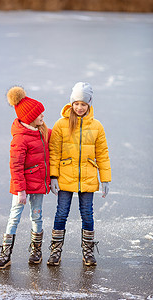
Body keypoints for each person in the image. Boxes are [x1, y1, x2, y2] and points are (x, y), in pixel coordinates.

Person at [47, 82, 111, 266]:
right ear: (71, 103)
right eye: (76, 103)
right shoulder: (61, 124)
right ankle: (55, 251)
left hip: (88, 176)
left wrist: (105, 179)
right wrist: (53, 176)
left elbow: (102, 153)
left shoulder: (97, 126)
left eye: (83, 104)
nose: (80, 107)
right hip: (66, 176)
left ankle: (88, 252)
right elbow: (54, 152)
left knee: (87, 214)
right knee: (61, 213)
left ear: (89, 104)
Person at [0, 86, 51, 269]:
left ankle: (36, 251)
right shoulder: (20, 139)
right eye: (39, 114)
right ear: (29, 118)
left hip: (39, 185)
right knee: (14, 218)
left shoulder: (42, 131)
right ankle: (5, 253)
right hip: (22, 188)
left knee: (37, 217)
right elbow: (16, 166)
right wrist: (20, 190)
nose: (43, 116)